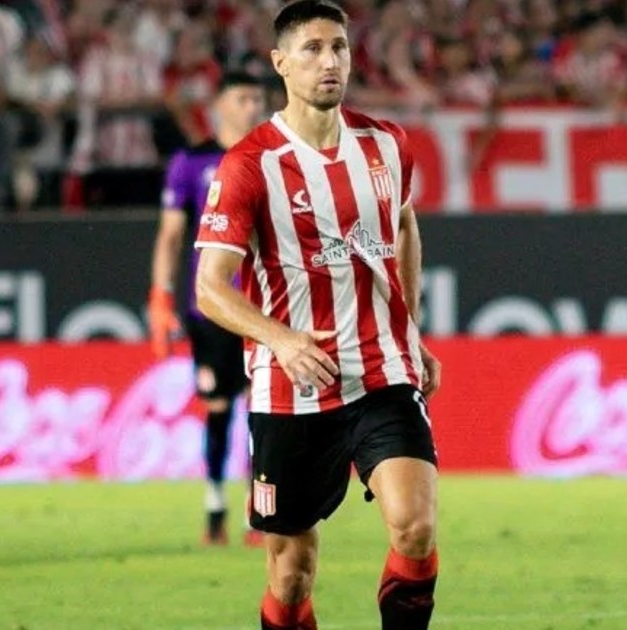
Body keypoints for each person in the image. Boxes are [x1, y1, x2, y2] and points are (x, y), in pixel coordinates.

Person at [193, 2, 442, 629]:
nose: (330, 62)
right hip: (293, 389)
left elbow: (404, 225)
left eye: (339, 47)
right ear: (281, 63)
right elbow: (209, 288)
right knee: (291, 572)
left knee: (415, 527)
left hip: (382, 372)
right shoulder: (249, 164)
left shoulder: (387, 144)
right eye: (312, 49)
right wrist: (280, 340)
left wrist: (408, 328)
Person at [148, 71, 267, 547]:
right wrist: (161, 296)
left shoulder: (274, 157)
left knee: (264, 409)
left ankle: (260, 510)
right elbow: (171, 236)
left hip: (265, 306)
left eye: (257, 98)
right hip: (214, 307)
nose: (252, 106)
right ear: (219, 105)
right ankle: (215, 505)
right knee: (218, 406)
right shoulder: (192, 162)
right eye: (243, 98)